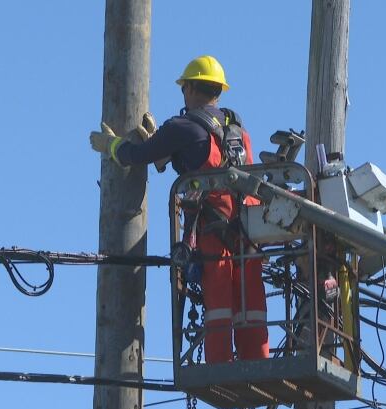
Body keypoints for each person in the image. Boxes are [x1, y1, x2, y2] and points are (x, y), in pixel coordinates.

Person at [89, 55, 269, 363]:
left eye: (183, 88)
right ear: (218, 91)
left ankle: (219, 367)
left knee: (220, 308)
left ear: (190, 89)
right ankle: (257, 363)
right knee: (250, 307)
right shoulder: (238, 130)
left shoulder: (183, 126)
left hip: (214, 235)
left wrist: (112, 146)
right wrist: (165, 149)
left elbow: (135, 155)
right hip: (249, 238)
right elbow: (200, 162)